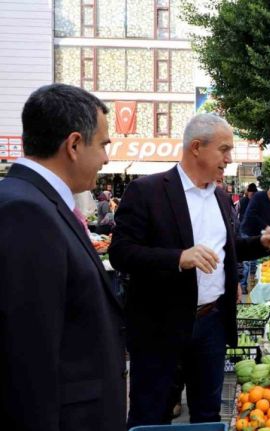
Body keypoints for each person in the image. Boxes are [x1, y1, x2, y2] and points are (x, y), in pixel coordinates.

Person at [109, 113, 270, 426]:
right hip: (160, 326)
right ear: (197, 148)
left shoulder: (220, 196)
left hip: (211, 324)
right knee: (152, 414)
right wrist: (178, 258)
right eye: (224, 150)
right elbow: (121, 253)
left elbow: (228, 249)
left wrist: (261, 243)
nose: (229, 159)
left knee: (207, 413)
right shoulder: (147, 191)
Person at [0, 84, 125, 431]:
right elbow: (27, 360)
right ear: (73, 145)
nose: (106, 158)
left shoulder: (40, 202)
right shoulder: (26, 210)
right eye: (103, 144)